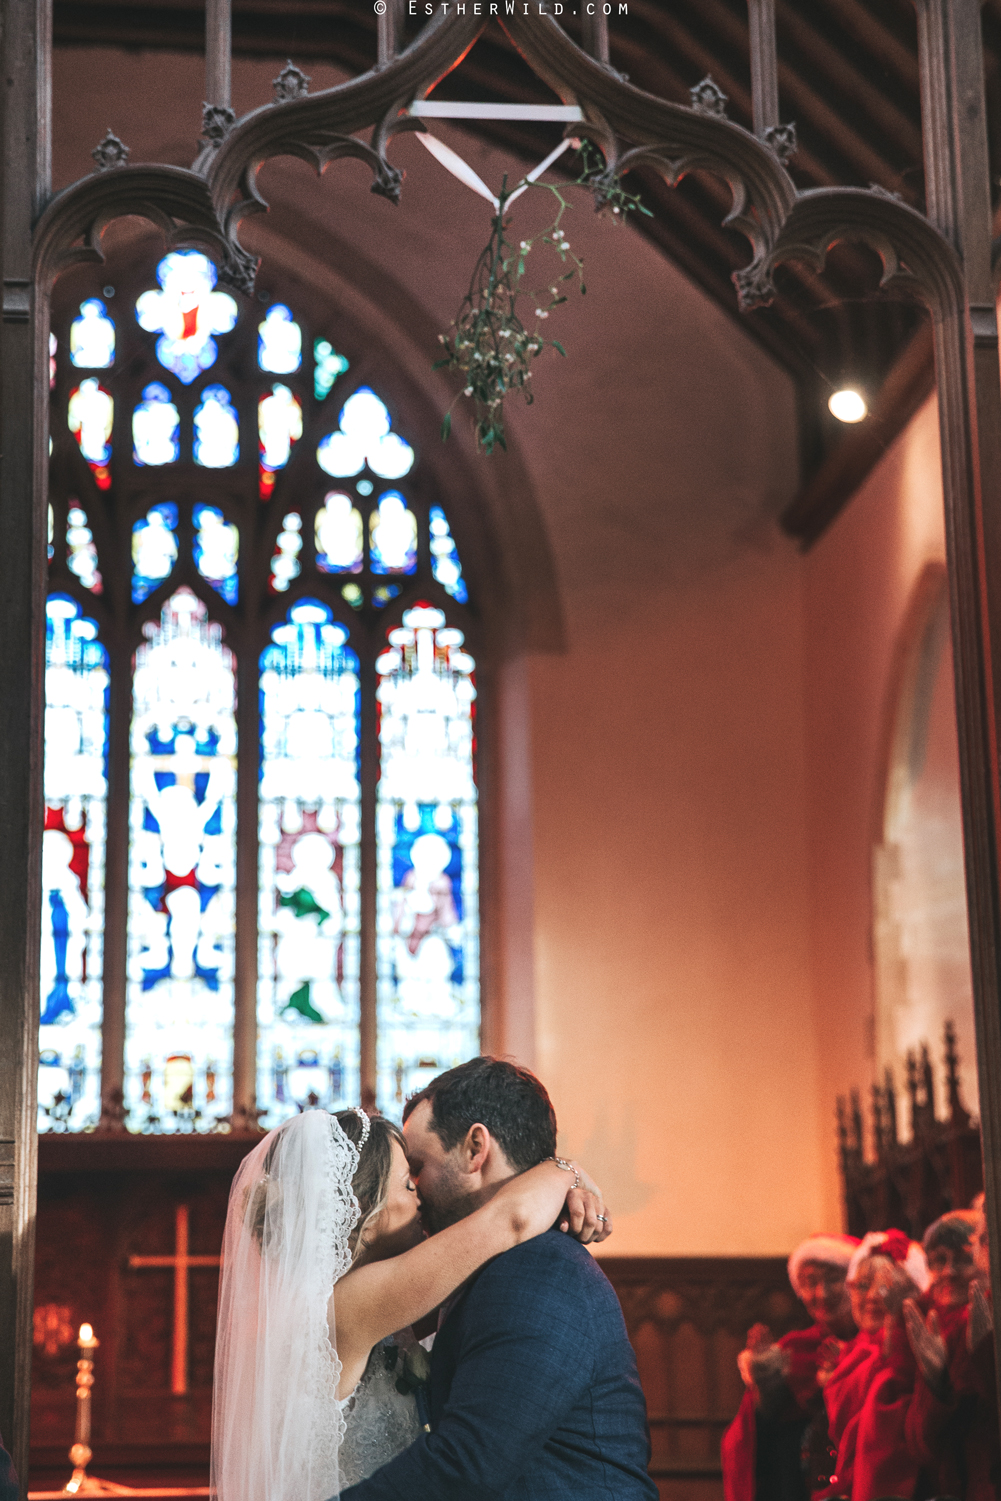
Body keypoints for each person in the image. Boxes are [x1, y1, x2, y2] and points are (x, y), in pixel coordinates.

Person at [211, 1089, 611, 1501]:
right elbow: (510, 1220)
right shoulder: (346, 1306)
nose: (420, 1197)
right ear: (363, 1207)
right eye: (407, 1183)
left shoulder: (336, 1302)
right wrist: (566, 1170)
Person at [338, 1056, 658, 1500]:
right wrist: (567, 1170)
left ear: (475, 1148)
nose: (416, 1189)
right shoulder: (483, 1264)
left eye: (418, 1167)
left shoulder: (538, 1269)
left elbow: (469, 1461)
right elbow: (510, 1218)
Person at [722, 1233, 858, 1501]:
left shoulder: (876, 1345)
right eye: (810, 1283)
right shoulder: (794, 1348)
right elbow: (748, 1442)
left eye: (833, 1279)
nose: (822, 1293)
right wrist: (768, 1390)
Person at [819, 1229, 929, 1500]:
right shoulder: (850, 1353)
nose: (872, 1297)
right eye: (863, 1285)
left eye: (885, 1286)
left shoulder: (921, 1348)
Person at [905, 1206, 999, 1498]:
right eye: (938, 1261)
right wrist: (936, 1383)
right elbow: (922, 1447)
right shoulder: (927, 1326)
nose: (949, 1272)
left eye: (962, 1258)